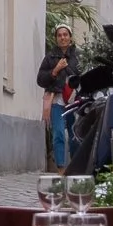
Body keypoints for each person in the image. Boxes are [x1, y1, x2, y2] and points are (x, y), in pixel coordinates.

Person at [36, 23, 77, 171]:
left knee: (75, 135)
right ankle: (61, 169)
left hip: (74, 101)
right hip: (57, 101)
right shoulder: (50, 57)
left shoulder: (78, 55)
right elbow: (40, 79)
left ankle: (75, 168)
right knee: (58, 134)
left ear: (70, 37)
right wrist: (55, 70)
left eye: (65, 34)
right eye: (59, 35)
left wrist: (66, 67)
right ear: (56, 39)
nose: (62, 38)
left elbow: (81, 75)